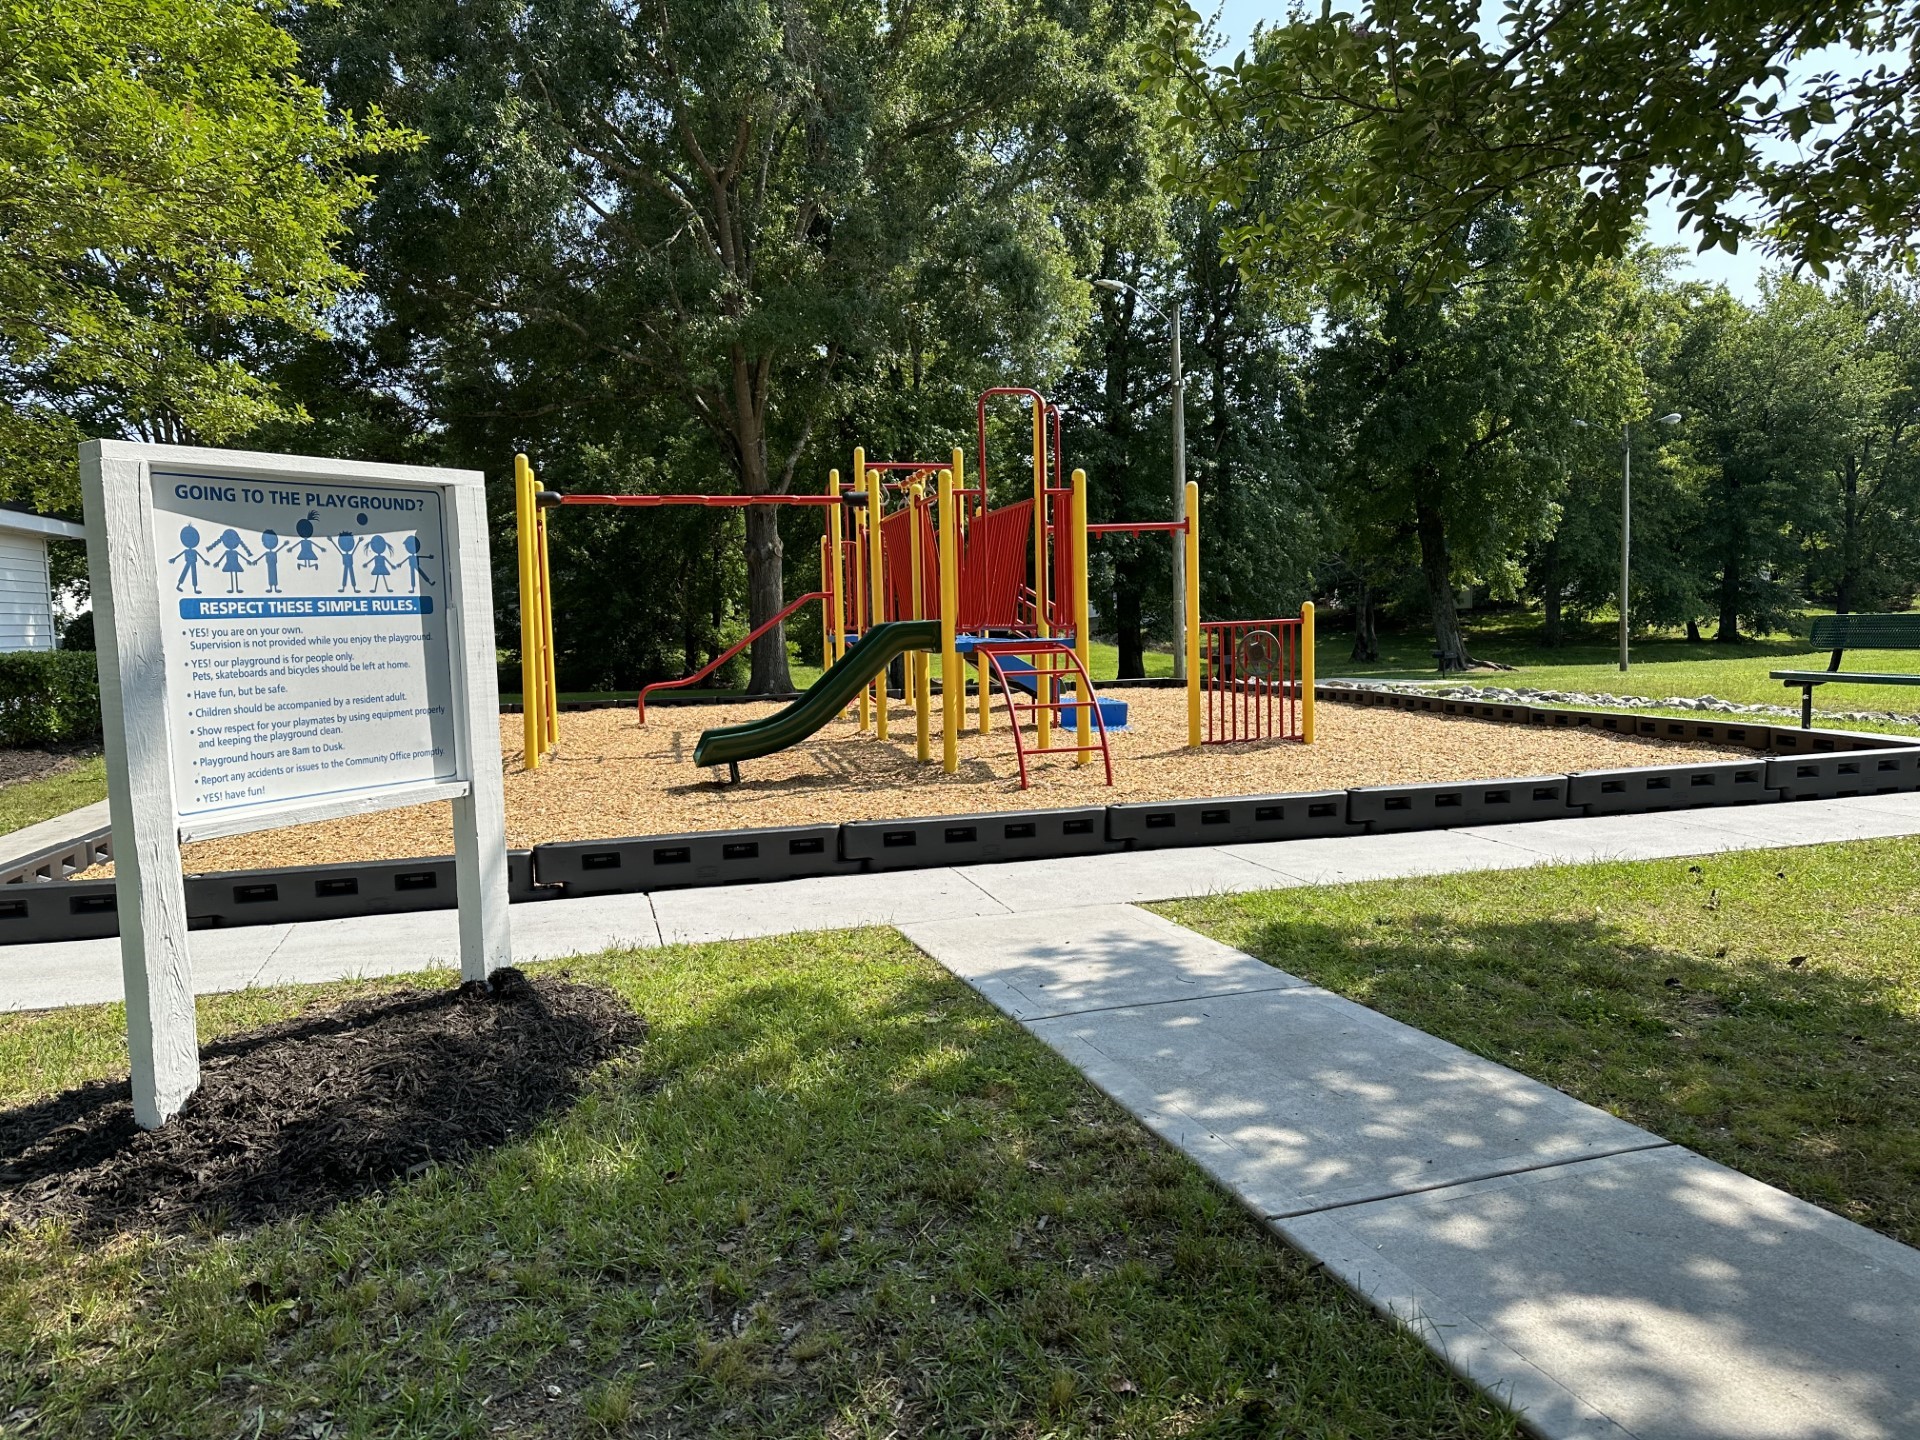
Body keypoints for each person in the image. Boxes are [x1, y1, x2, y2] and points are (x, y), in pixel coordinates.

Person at [170, 525, 204, 593]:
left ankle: (194, 589)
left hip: (193, 562)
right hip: (189, 562)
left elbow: (199, 555)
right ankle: (178, 585)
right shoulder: (187, 551)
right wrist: (174, 558)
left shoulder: (194, 551)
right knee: (185, 573)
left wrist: (204, 560)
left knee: (193, 574)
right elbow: (180, 554)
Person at [254, 529, 284, 593]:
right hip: (269, 565)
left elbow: (278, 551)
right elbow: (261, 557)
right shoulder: (268, 553)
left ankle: (275, 588)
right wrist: (256, 560)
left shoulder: (274, 553)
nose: (270, 542)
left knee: (274, 576)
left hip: (273, 565)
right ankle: (271, 588)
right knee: (271, 576)